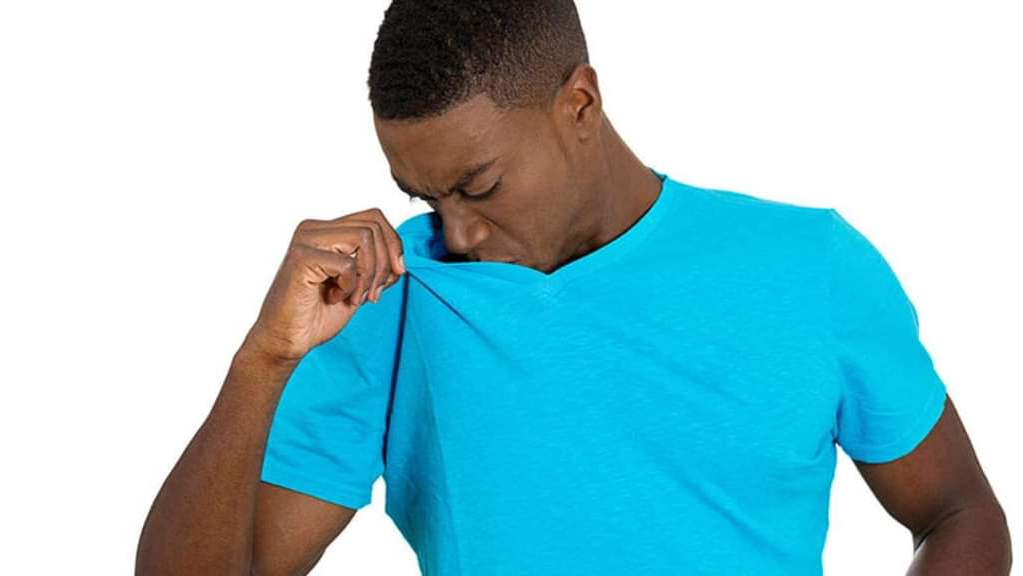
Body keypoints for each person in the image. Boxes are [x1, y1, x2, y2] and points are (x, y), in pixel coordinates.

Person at [135, 1, 1011, 574]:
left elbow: (959, 512)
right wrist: (265, 358)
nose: (457, 233)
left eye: (479, 186)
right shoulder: (389, 296)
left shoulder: (811, 266)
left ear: (580, 105)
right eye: (426, 198)